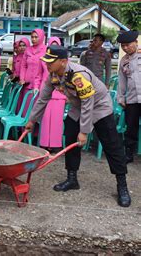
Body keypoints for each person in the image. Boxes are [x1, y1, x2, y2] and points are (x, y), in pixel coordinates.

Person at [25, 45, 131, 208]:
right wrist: (32, 120)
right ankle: (72, 178)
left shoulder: (78, 76)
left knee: (112, 145)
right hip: (78, 107)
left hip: (99, 106)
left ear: (63, 62)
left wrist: (84, 131)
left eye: (50, 62)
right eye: (46, 61)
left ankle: (122, 185)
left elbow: (89, 104)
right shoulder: (53, 75)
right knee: (70, 137)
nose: (47, 65)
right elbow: (42, 98)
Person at [39, 37, 67, 153]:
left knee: (56, 121)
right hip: (47, 91)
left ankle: (55, 144)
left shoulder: (63, 64)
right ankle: (44, 143)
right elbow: (38, 74)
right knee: (45, 119)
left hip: (59, 95)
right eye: (52, 45)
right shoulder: (44, 60)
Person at [116, 30, 140, 164]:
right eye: (122, 45)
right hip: (132, 99)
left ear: (136, 42)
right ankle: (129, 154)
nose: (125, 48)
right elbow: (122, 81)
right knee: (131, 128)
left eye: (127, 45)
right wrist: (120, 97)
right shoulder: (123, 61)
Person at [19, 30, 47, 115]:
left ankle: (35, 128)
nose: (33, 39)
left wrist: (41, 85)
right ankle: (23, 128)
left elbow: (46, 69)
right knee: (25, 109)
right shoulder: (28, 50)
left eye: (36, 37)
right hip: (27, 84)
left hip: (39, 85)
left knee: (36, 110)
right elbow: (23, 66)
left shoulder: (45, 49)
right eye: (32, 37)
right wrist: (22, 78)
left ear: (41, 37)